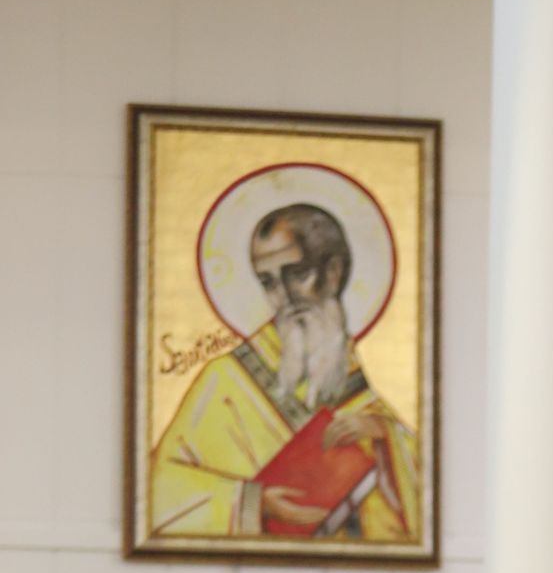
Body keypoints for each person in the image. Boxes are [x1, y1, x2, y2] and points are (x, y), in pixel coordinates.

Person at [149, 199, 420, 543]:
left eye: (297, 274)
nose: (286, 298)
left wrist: (385, 439)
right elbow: (157, 489)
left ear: (333, 272)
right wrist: (253, 502)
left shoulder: (362, 387)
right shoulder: (226, 380)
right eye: (268, 283)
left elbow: (432, 505)